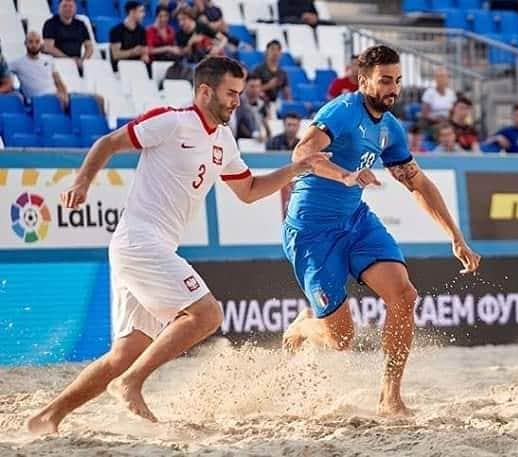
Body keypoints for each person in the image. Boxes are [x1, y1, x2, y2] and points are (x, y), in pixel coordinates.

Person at [25, 56, 329, 435]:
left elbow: (249, 191)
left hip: (153, 248)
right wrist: (82, 182)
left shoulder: (224, 139)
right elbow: (108, 142)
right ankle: (131, 384)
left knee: (124, 352)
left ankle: (48, 416)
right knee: (207, 315)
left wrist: (299, 168)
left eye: (239, 93)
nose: (238, 101)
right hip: (139, 241)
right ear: (205, 91)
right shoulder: (172, 120)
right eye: (230, 93)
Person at [281, 45, 481, 416]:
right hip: (312, 230)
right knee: (341, 340)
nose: (393, 88)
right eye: (385, 80)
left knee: (404, 296)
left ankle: (390, 397)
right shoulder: (340, 111)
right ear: (364, 81)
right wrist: (345, 175)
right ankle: (302, 327)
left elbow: (416, 182)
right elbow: (300, 155)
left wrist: (456, 235)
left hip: (355, 220)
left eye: (398, 81)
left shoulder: (390, 128)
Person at [10, 31, 69, 108]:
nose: (34, 45)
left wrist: (64, 95)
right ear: (25, 43)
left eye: (37, 42)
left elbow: (58, 81)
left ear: (41, 43)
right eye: (30, 42)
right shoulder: (17, 63)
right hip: (35, 102)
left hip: (54, 98)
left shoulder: (49, 59)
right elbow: (4, 73)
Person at [42, 0, 93, 67]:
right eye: (64, 6)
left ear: (75, 9)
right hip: (56, 63)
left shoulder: (81, 24)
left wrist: (83, 60)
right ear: (59, 8)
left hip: (77, 64)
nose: (68, 9)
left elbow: (89, 47)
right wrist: (69, 60)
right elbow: (48, 48)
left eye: (71, 6)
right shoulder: (50, 23)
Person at [110, 1, 149, 71]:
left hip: (138, 66)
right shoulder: (116, 31)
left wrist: (144, 55)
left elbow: (144, 50)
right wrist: (133, 52)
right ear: (132, 12)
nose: (144, 14)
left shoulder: (142, 30)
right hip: (121, 68)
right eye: (141, 11)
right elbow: (116, 55)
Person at [233, 74, 270, 141]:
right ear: (245, 86)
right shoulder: (238, 102)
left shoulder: (262, 104)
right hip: (241, 140)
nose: (255, 90)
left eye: (257, 86)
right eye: (252, 86)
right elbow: (240, 124)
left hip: (259, 140)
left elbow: (265, 122)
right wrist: (254, 135)